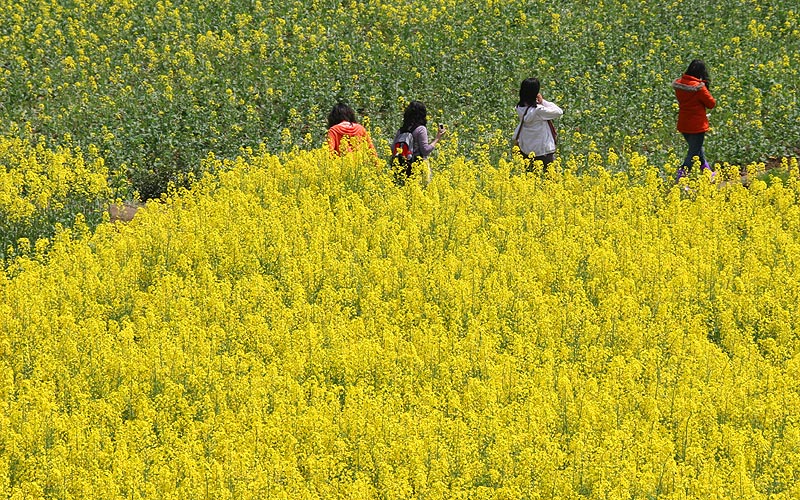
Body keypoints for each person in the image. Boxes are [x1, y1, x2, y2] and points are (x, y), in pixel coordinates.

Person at [672, 59, 716, 178]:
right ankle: (681, 176)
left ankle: (708, 173)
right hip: (697, 126)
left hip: (684, 124)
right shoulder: (698, 88)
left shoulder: (679, 84)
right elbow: (711, 104)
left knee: (697, 150)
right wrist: (705, 86)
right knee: (692, 154)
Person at [513, 77, 563, 172]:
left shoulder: (519, 108)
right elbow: (559, 112)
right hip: (543, 151)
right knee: (551, 179)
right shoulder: (539, 110)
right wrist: (543, 101)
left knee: (529, 177)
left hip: (526, 149)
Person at [391, 100, 445, 184]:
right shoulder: (420, 129)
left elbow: (393, 148)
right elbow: (425, 150)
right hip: (418, 168)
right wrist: (437, 138)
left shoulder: (401, 130)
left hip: (402, 168)